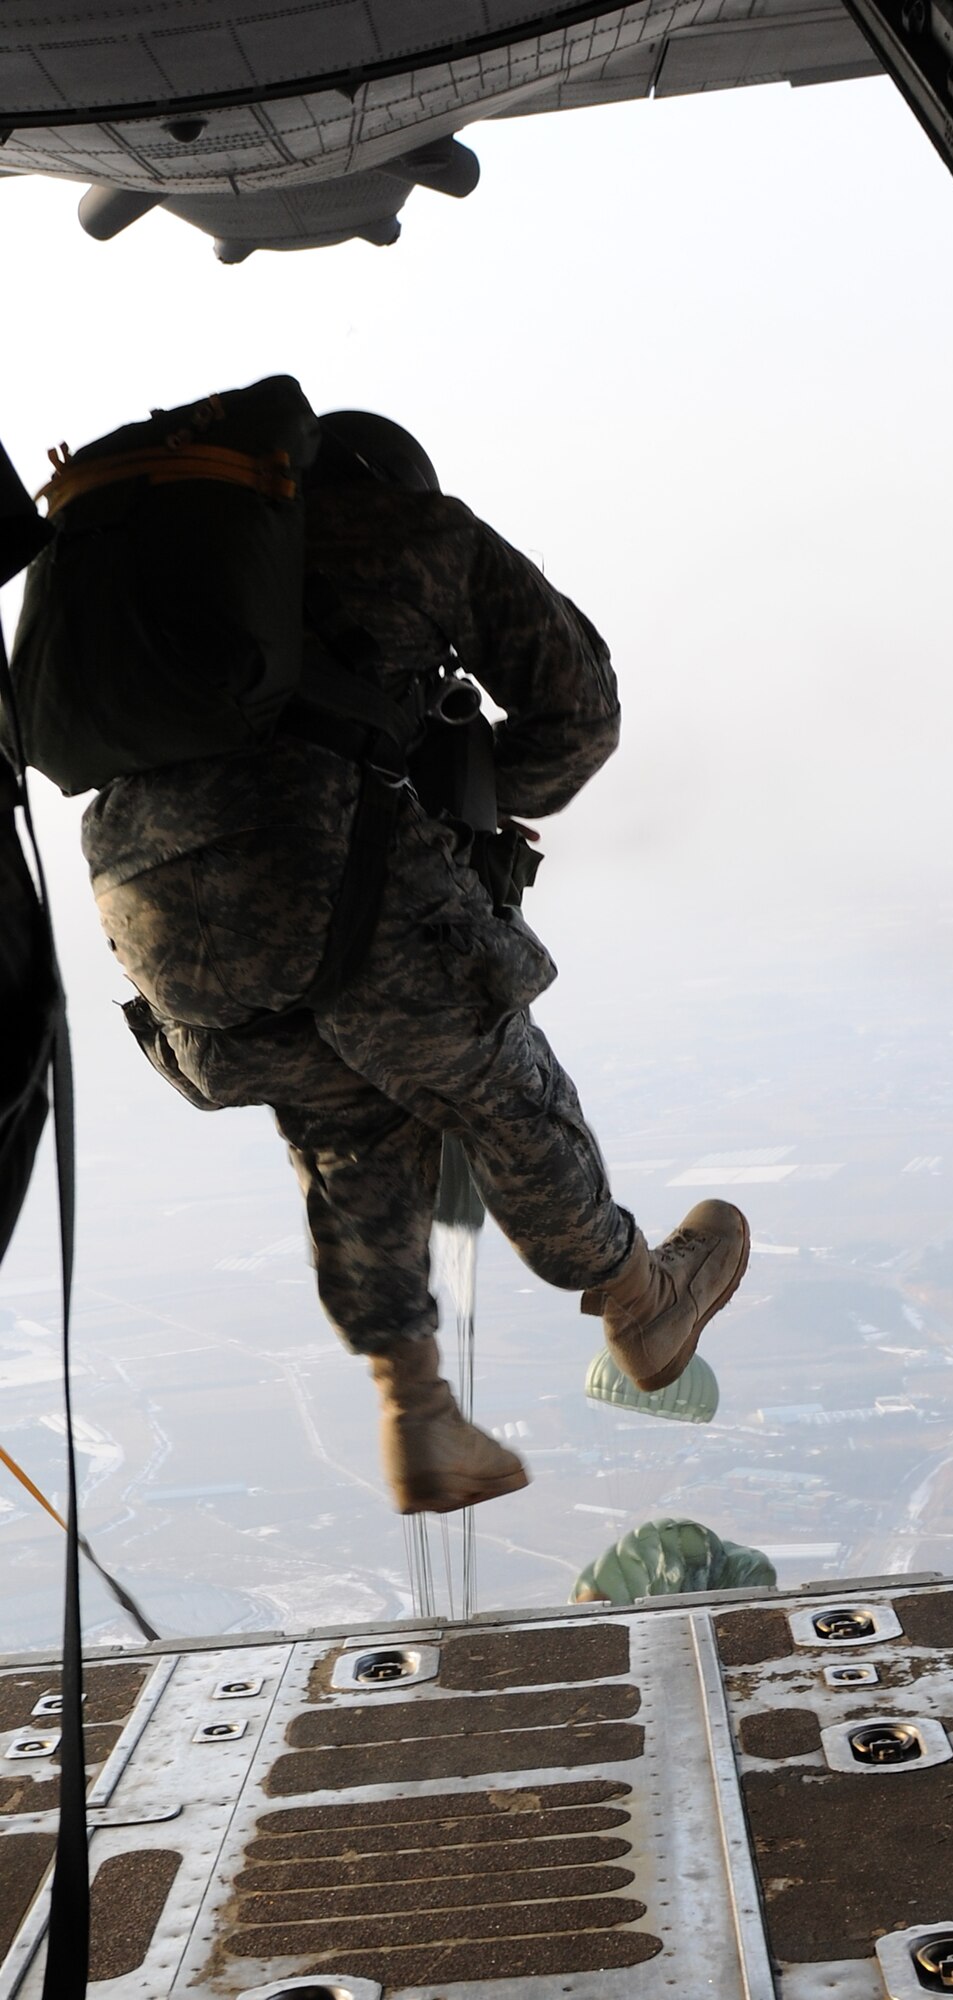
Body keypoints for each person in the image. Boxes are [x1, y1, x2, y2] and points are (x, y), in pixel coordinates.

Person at [81, 409, 750, 1513]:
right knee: (496, 1081)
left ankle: (418, 1412)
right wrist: (476, 797)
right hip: (338, 880)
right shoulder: (413, 532)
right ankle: (644, 1298)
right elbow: (577, 713)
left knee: (344, 1124)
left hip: (165, 932)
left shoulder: (159, 587)